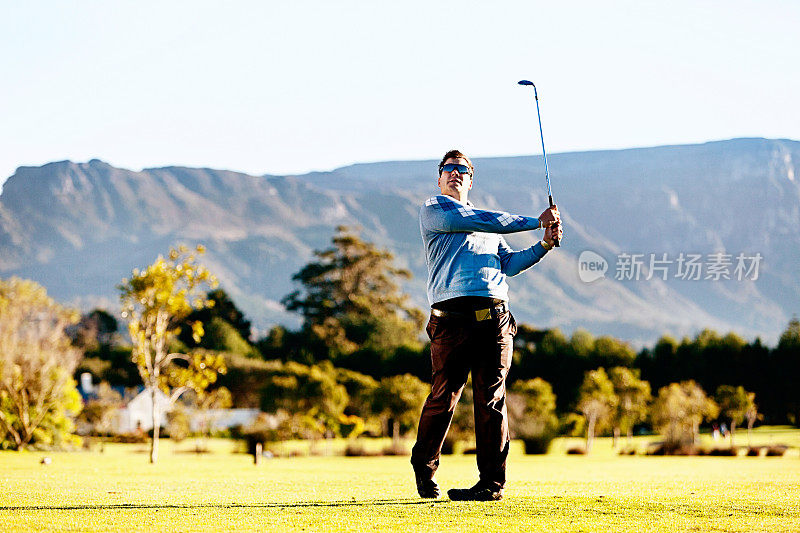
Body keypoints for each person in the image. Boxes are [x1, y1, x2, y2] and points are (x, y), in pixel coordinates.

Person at [410, 149, 562, 501]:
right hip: (451, 321)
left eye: (462, 169)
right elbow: (481, 221)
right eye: (448, 169)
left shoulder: (486, 224)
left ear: (471, 178)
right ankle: (425, 467)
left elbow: (508, 263)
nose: (455, 173)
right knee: (443, 396)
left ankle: (491, 484)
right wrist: (536, 221)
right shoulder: (436, 210)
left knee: (491, 399)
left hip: (493, 319)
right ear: (439, 178)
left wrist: (544, 245)